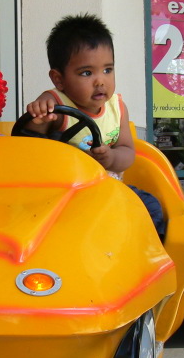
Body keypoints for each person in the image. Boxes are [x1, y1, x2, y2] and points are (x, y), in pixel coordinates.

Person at [25, 13, 166, 240]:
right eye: (87, 73)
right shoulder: (56, 104)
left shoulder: (117, 108)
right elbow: (30, 146)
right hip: (64, 194)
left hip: (109, 189)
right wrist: (38, 118)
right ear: (59, 80)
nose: (100, 81)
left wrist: (111, 158)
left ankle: (147, 251)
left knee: (150, 206)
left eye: (107, 70)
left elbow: (128, 152)